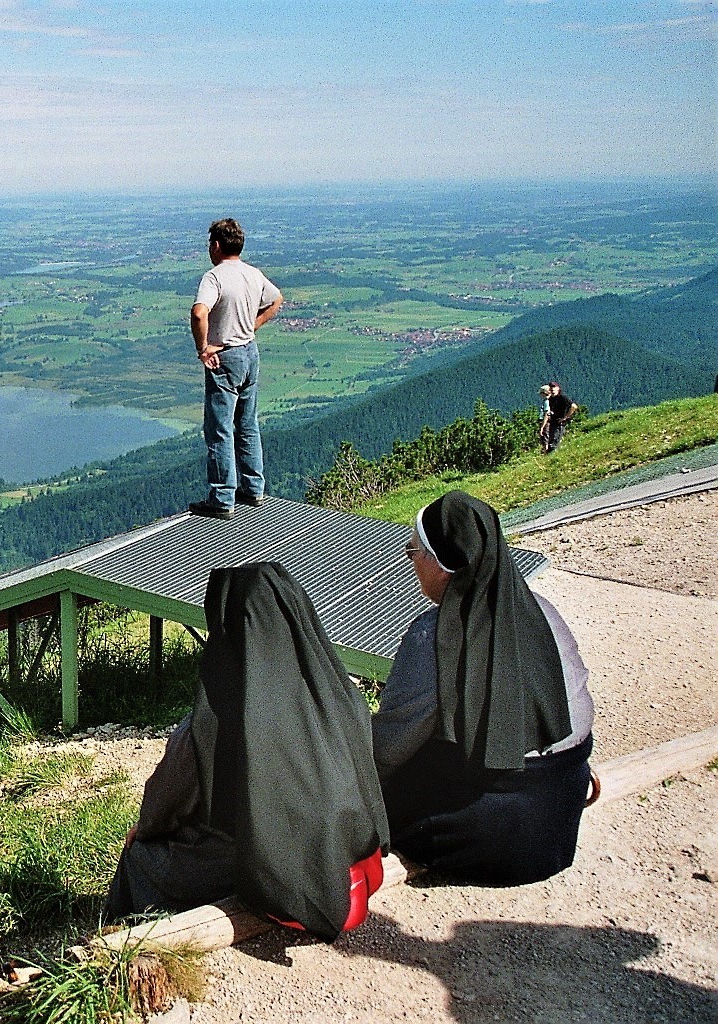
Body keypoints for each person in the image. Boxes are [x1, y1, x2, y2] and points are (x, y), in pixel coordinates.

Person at [105, 563, 388, 941]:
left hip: (263, 866)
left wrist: (143, 830)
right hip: (344, 855)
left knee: (141, 860)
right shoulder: (341, 698)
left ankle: (121, 936)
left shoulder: (214, 724)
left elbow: (166, 804)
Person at [373, 490, 594, 885]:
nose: (410, 562)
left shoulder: (434, 635)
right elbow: (577, 706)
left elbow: (390, 747)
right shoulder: (541, 609)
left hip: (490, 832)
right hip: (561, 804)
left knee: (401, 773)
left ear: (443, 566)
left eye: (413, 553)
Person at [188, 218, 284, 519]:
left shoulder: (214, 278)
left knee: (219, 429)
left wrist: (203, 349)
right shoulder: (253, 274)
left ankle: (222, 498)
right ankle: (254, 489)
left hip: (225, 356)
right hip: (249, 353)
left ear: (216, 245)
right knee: (247, 424)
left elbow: (199, 312)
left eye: (209, 244)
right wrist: (252, 326)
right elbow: (276, 299)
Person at [540, 381, 579, 454]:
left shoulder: (563, 398)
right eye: (551, 388)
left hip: (560, 423)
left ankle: (551, 457)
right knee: (550, 441)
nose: (552, 389)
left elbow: (574, 406)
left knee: (554, 442)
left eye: (554, 387)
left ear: (558, 388)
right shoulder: (550, 399)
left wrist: (565, 417)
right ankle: (549, 457)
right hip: (552, 422)